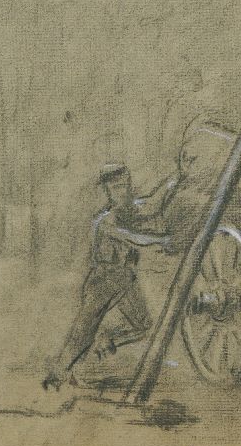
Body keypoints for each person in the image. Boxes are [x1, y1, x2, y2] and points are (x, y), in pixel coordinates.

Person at [43, 162, 176, 390]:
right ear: (107, 191)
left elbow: (154, 200)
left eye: (125, 185)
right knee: (82, 334)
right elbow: (132, 238)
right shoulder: (105, 221)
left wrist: (174, 182)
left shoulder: (131, 209)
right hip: (103, 281)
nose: (123, 191)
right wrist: (161, 241)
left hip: (125, 280)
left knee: (143, 326)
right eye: (116, 188)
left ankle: (106, 339)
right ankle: (55, 378)